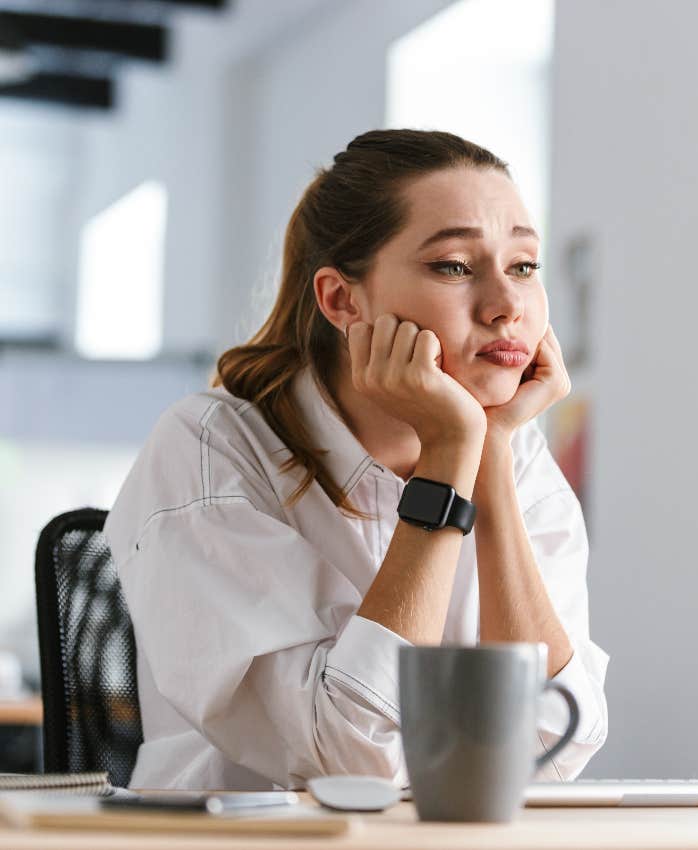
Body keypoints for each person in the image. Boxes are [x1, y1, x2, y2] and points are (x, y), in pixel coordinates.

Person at [104, 129, 609, 791]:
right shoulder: (211, 451)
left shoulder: (512, 455)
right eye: (454, 265)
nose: (507, 307)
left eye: (522, 266)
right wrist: (449, 460)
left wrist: (486, 453)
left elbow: (554, 743)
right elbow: (348, 760)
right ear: (343, 300)